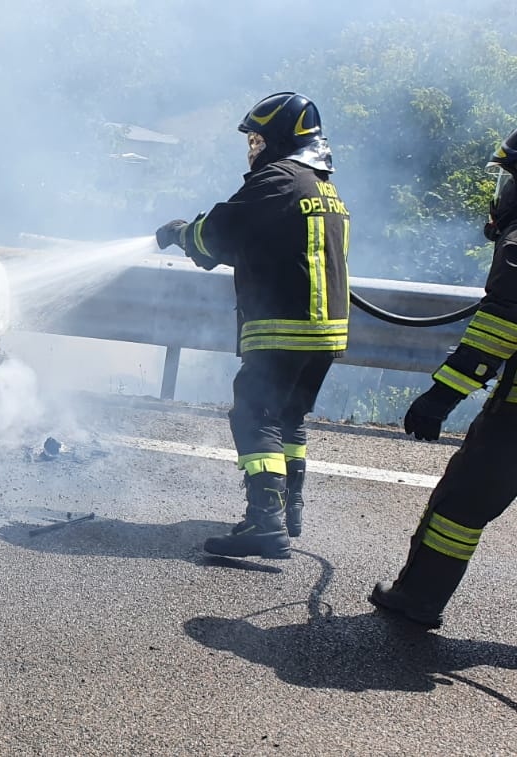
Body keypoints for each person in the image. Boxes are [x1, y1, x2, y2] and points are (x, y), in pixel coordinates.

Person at [371, 111, 517, 629]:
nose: (507, 190)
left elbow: (503, 324)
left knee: (460, 508)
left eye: (515, 177)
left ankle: (417, 598)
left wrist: (442, 395)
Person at [154, 92, 351, 558]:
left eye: (259, 138)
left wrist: (181, 231)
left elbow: (218, 232)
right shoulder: (322, 185)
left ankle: (265, 523)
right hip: (327, 333)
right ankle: (290, 511)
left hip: (283, 326)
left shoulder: (278, 180)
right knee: (289, 418)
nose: (253, 148)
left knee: (253, 415)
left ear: (281, 138)